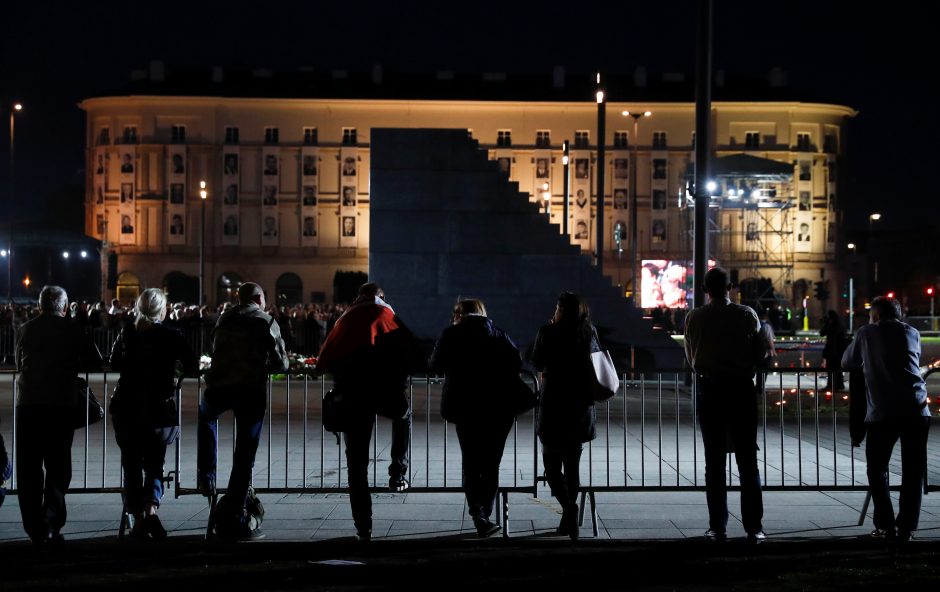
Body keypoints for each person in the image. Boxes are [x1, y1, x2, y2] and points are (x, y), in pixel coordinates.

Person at [316, 283, 423, 542]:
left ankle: (364, 527)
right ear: (381, 297)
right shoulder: (387, 316)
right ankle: (398, 472)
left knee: (356, 466)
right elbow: (415, 355)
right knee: (404, 416)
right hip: (387, 394)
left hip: (352, 399)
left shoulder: (345, 320)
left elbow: (324, 360)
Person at [197, 282, 288, 540]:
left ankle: (207, 475)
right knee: (245, 451)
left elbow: (215, 348)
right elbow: (281, 362)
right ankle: (236, 511)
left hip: (220, 386)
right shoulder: (265, 320)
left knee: (206, 416)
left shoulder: (224, 318)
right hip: (249, 389)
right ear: (259, 298)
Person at [684, 267, 768, 544]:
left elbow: (691, 356)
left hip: (711, 389)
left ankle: (717, 527)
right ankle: (754, 527)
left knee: (714, 462)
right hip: (741, 389)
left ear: (706, 289)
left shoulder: (695, 317)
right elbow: (759, 352)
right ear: (730, 286)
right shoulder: (747, 315)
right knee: (748, 461)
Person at [15, 285, 102, 546]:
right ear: (65, 307)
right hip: (60, 403)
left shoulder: (25, 329)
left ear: (40, 305)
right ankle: (52, 522)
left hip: (28, 403)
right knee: (57, 466)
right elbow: (95, 361)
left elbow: (20, 363)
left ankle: (33, 528)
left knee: (28, 469)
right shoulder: (72, 330)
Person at [109, 288, 198, 540]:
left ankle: (137, 519)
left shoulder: (128, 331)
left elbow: (114, 362)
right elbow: (191, 364)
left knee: (132, 464)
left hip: (127, 406)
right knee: (155, 464)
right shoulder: (171, 335)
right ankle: (151, 511)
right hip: (158, 408)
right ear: (162, 309)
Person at [841, 296, 931, 543]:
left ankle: (885, 524)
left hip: (883, 411)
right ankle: (907, 527)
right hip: (917, 408)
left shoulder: (866, 333)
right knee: (913, 472)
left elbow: (847, 362)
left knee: (877, 469)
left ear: (876, 315)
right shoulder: (912, 332)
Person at [430, 298, 521, 538]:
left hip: (465, 408)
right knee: (491, 463)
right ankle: (486, 513)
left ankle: (478, 515)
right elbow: (517, 362)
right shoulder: (499, 334)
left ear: (459, 314)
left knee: (471, 462)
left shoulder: (451, 334)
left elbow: (435, 364)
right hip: (498, 409)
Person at [531, 292, 599, 541]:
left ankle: (569, 510)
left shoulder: (548, 332)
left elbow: (537, 361)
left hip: (554, 404)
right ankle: (567, 518)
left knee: (551, 464)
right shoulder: (587, 331)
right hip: (580, 405)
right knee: (572, 466)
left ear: (560, 309)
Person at [820, 310, 847, 391]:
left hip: (833, 351)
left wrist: (826, 323)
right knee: (838, 368)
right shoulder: (840, 325)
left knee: (831, 368)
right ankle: (839, 384)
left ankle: (831, 385)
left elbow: (822, 332)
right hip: (839, 350)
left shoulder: (833, 325)